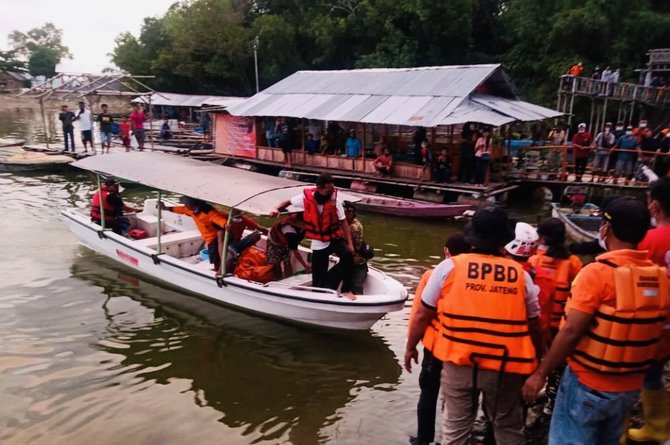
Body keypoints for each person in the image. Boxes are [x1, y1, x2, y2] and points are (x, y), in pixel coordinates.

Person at [522, 197, 668, 445]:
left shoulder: (597, 273)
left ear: (606, 229)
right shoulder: (660, 277)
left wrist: (540, 373)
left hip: (587, 384)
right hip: (630, 386)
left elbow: (571, 332)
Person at [405, 205, 542, 445]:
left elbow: (421, 315)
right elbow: (534, 325)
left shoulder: (448, 268)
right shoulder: (521, 276)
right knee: (507, 427)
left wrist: (410, 346)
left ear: (473, 235)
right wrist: (539, 365)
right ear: (504, 239)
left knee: (456, 429)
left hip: (460, 363)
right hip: (504, 366)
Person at [407, 233, 471, 445]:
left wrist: (410, 346)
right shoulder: (473, 280)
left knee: (428, 394)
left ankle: (423, 440)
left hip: (435, 348)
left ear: (446, 251)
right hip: (463, 350)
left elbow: (419, 313)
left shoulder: (432, 275)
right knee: (457, 398)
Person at [269, 173, 355, 300]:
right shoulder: (305, 198)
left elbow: (343, 222)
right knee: (318, 277)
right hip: (319, 241)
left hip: (334, 238)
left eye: (332, 189)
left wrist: (350, 244)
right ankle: (318, 295)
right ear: (319, 188)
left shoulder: (335, 201)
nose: (331, 192)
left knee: (348, 255)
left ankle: (346, 290)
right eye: (328, 190)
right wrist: (275, 208)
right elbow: (287, 202)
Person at [528, 217, 583, 415]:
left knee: (536, 360)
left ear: (541, 237)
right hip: (562, 324)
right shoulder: (574, 263)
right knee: (558, 363)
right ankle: (552, 401)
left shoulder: (534, 260)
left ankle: (528, 393)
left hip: (539, 322)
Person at [630, 178, 670, 443]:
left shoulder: (647, 241)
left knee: (640, 375)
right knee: (653, 373)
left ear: (654, 206)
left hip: (656, 324)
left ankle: (657, 426)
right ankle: (658, 426)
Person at [162, 197, 228, 273]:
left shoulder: (208, 212)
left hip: (214, 237)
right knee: (213, 256)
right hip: (207, 236)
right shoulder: (190, 210)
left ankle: (219, 270)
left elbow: (218, 219)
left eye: (186, 204)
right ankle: (217, 268)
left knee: (215, 257)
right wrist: (166, 208)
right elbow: (181, 209)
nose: (185, 205)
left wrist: (225, 224)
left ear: (192, 205)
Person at [327, 201, 367, 294]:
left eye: (342, 212)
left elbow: (336, 238)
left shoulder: (354, 227)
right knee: (331, 278)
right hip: (347, 260)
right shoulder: (346, 224)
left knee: (355, 286)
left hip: (356, 263)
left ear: (350, 213)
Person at [266, 213, 311, 280]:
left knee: (287, 261)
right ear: (299, 222)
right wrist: (306, 266)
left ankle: (288, 277)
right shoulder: (289, 230)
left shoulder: (302, 226)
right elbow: (295, 251)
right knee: (276, 263)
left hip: (286, 243)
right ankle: (278, 278)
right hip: (275, 243)